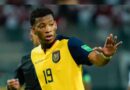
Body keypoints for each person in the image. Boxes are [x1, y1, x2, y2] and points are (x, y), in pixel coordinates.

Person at [7, 7, 122, 90]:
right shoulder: (33, 55)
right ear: (33, 30)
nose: (48, 29)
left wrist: (106, 55)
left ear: (56, 25)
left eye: (51, 24)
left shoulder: (71, 44)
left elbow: (96, 59)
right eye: (42, 26)